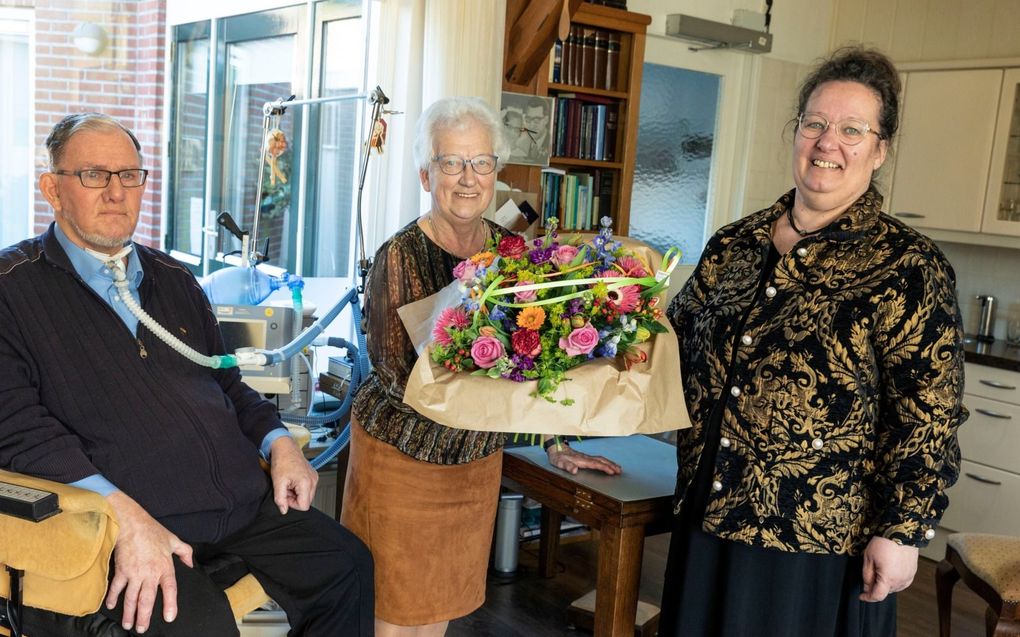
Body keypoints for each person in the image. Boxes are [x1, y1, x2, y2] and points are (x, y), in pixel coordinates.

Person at [0, 112, 373, 636]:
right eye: (94, 175)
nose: (116, 192)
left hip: (238, 502)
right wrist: (124, 518)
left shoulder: (173, 279)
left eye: (130, 175)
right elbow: (16, 429)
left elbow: (225, 381)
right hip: (123, 518)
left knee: (347, 566)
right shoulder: (12, 288)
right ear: (52, 190)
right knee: (193, 623)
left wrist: (278, 442)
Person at [659, 47, 967, 636]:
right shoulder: (734, 244)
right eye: (816, 124)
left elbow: (928, 413)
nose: (829, 142)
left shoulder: (907, 266)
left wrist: (903, 531)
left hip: (815, 537)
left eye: (853, 129)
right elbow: (671, 346)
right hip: (708, 509)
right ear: (795, 132)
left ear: (879, 150)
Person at [340, 96, 621, 637]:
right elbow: (403, 377)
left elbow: (545, 353)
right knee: (392, 616)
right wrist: (509, 397)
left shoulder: (513, 251)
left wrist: (555, 441)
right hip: (403, 463)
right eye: (451, 163)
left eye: (481, 162)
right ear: (427, 175)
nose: (467, 178)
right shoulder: (397, 257)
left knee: (440, 612)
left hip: (472, 465)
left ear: (497, 171)